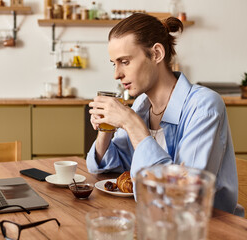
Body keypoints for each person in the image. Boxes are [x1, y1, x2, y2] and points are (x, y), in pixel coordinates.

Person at [86, 13, 243, 216]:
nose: (116, 74)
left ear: (157, 54)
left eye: (125, 61)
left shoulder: (204, 106)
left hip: (208, 227)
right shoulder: (142, 105)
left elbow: (184, 195)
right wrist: (105, 128)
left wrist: (132, 124)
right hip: (156, 219)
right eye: (113, 63)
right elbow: (107, 168)